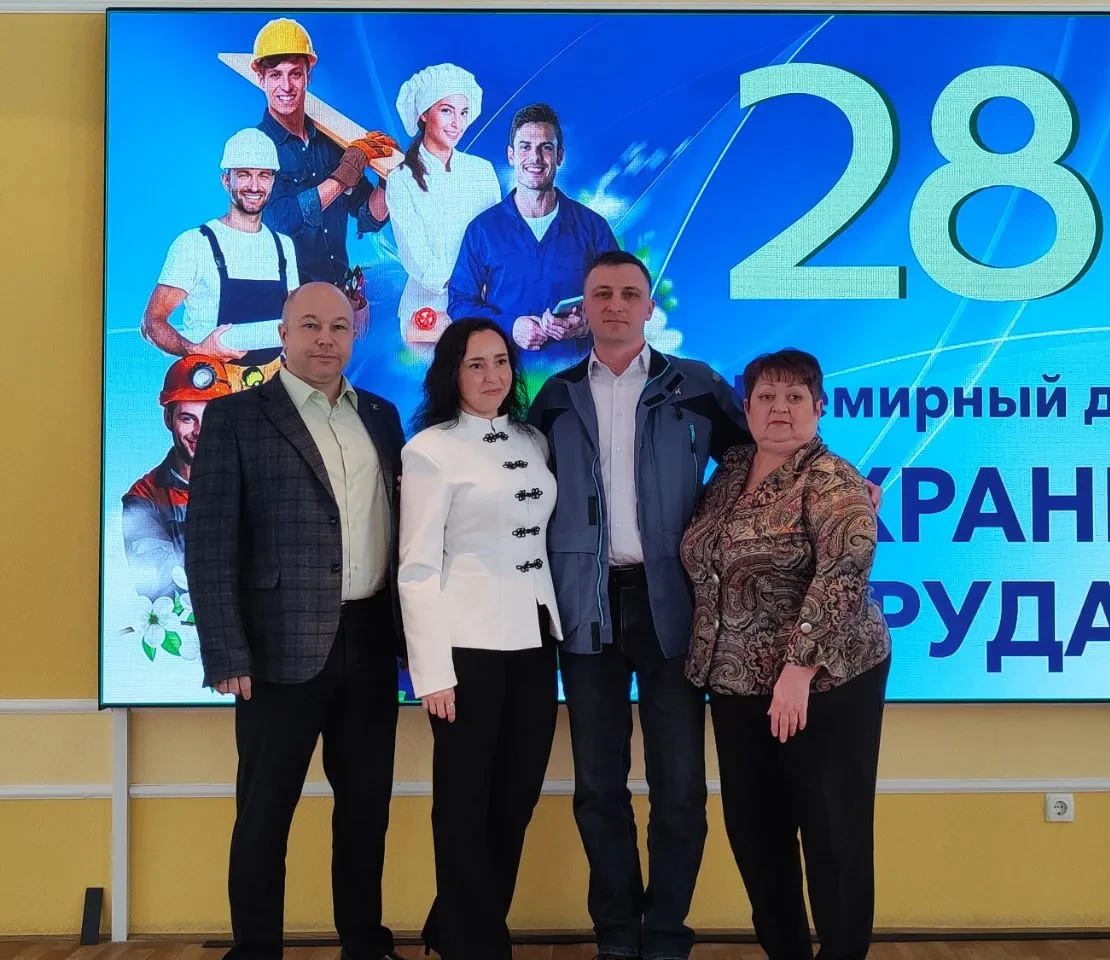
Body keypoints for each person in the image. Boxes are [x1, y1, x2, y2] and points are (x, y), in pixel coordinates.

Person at [527, 250, 751, 960]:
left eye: (629, 293)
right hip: (585, 607)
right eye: (601, 294)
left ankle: (666, 933)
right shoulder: (555, 396)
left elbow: (762, 460)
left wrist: (836, 481)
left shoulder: (697, 385)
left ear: (649, 307)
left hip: (672, 606)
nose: (615, 305)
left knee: (679, 784)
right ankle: (618, 933)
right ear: (583, 310)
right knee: (598, 785)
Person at [186, 281, 406, 960]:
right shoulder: (236, 417)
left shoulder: (381, 416)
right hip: (275, 650)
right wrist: (226, 652)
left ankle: (364, 943)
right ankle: (256, 949)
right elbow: (210, 542)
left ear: (354, 335)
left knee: (365, 808)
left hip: (371, 642)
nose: (325, 340)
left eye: (339, 327)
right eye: (310, 325)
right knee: (264, 812)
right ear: (283, 335)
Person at [679, 349, 891, 960]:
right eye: (767, 397)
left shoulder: (834, 481)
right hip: (735, 682)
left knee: (831, 829)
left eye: (795, 397)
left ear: (819, 409)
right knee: (756, 833)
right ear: (745, 408)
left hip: (825, 684)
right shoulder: (731, 469)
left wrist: (798, 671)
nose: (780, 409)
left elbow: (843, 574)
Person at [398, 317, 561, 960]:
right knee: (465, 803)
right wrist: (432, 671)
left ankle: (453, 926)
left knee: (515, 798)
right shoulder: (430, 450)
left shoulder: (532, 440)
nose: (492, 376)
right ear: (451, 373)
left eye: (500, 362)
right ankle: (478, 944)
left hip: (534, 640)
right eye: (475, 364)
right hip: (465, 650)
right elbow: (416, 567)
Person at [448, 102, 618, 368]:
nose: (535, 158)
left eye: (545, 147)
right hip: (504, 380)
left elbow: (621, 296)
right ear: (511, 155)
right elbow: (459, 303)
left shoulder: (593, 228)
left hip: (579, 380)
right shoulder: (482, 230)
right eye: (525, 147)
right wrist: (510, 326)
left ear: (559, 155)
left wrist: (588, 322)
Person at [141, 128, 299, 391]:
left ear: (273, 181)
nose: (254, 186)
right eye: (244, 174)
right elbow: (152, 322)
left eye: (263, 175)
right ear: (226, 180)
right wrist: (195, 349)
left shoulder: (283, 246)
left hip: (272, 391)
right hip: (211, 388)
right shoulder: (195, 244)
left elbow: (292, 321)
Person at [250, 18, 394, 287]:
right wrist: (342, 177)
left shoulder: (332, 142)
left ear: (308, 76)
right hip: (286, 296)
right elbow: (281, 221)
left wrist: (388, 181)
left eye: (295, 74)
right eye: (276, 75)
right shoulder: (254, 147)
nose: (286, 86)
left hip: (337, 288)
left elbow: (368, 219)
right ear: (260, 79)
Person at [386, 64, 501, 346]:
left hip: (485, 304)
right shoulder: (401, 180)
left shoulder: (482, 171)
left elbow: (499, 239)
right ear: (424, 113)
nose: (457, 124)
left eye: (463, 113)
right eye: (447, 111)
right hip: (428, 313)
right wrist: (473, 284)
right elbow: (418, 260)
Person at [122, 354, 232, 603]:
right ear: (168, 419)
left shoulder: (254, 482)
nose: (200, 431)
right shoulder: (144, 497)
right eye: (187, 418)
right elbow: (160, 588)